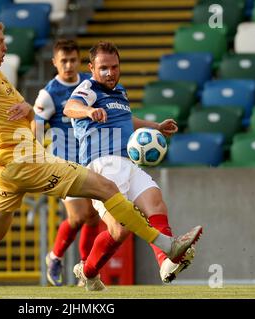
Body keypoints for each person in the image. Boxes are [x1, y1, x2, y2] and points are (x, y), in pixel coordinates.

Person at [0, 19, 202, 295]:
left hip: (8, 171)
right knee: (106, 190)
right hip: (26, 162)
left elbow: (19, 119)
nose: (6, 46)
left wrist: (28, 112)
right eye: (0, 42)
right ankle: (166, 246)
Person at [63, 41, 196, 291]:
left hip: (127, 161)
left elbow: (126, 118)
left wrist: (155, 127)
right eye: (103, 68)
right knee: (120, 230)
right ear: (91, 68)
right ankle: (89, 271)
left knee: (155, 201)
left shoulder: (120, 92)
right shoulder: (88, 88)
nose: (110, 73)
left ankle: (165, 261)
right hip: (101, 166)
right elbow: (69, 107)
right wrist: (89, 111)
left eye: (114, 67)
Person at [33, 39, 99, 287]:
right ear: (55, 63)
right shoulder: (49, 93)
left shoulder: (87, 85)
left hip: (89, 158)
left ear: (79, 60)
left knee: (92, 218)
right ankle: (55, 256)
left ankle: (84, 268)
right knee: (80, 216)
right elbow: (36, 124)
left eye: (72, 60)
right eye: (64, 61)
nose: (69, 65)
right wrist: (39, 157)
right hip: (63, 163)